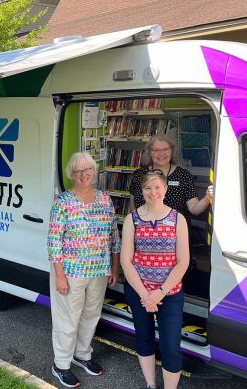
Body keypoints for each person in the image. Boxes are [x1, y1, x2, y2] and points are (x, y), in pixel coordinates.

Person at [48, 152, 121, 388]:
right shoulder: (63, 202)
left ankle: (82, 354)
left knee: (91, 315)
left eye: (88, 169)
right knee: (67, 320)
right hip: (70, 272)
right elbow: (54, 241)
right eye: (78, 171)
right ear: (72, 174)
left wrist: (114, 266)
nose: (84, 174)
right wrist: (59, 275)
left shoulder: (104, 199)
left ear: (94, 170)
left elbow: (113, 236)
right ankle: (61, 365)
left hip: (99, 270)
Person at [120, 169, 190, 389]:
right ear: (142, 191)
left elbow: (183, 261)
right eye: (148, 188)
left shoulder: (178, 219)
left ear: (166, 189)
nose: (153, 192)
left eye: (157, 187)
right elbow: (126, 261)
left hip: (169, 293)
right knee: (144, 338)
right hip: (139, 292)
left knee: (171, 346)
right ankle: (151, 385)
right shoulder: (132, 220)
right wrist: (145, 295)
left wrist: (159, 293)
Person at [129, 135, 213, 222]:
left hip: (176, 232)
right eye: (156, 150)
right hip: (144, 230)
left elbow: (194, 209)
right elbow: (133, 207)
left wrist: (207, 198)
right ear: (150, 152)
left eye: (165, 149)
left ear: (171, 151)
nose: (161, 154)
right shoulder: (139, 174)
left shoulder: (183, 175)